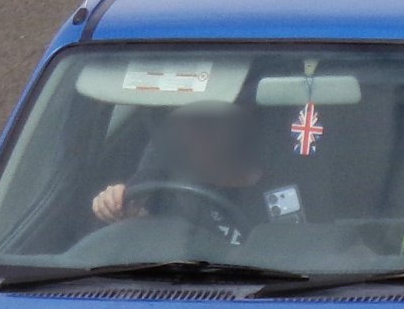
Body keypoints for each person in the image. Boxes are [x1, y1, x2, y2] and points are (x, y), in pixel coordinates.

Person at [91, 102, 273, 244]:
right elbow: (131, 219)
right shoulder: (161, 176)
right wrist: (113, 206)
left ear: (238, 122)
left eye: (208, 121)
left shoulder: (287, 176)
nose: (196, 134)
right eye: (185, 122)